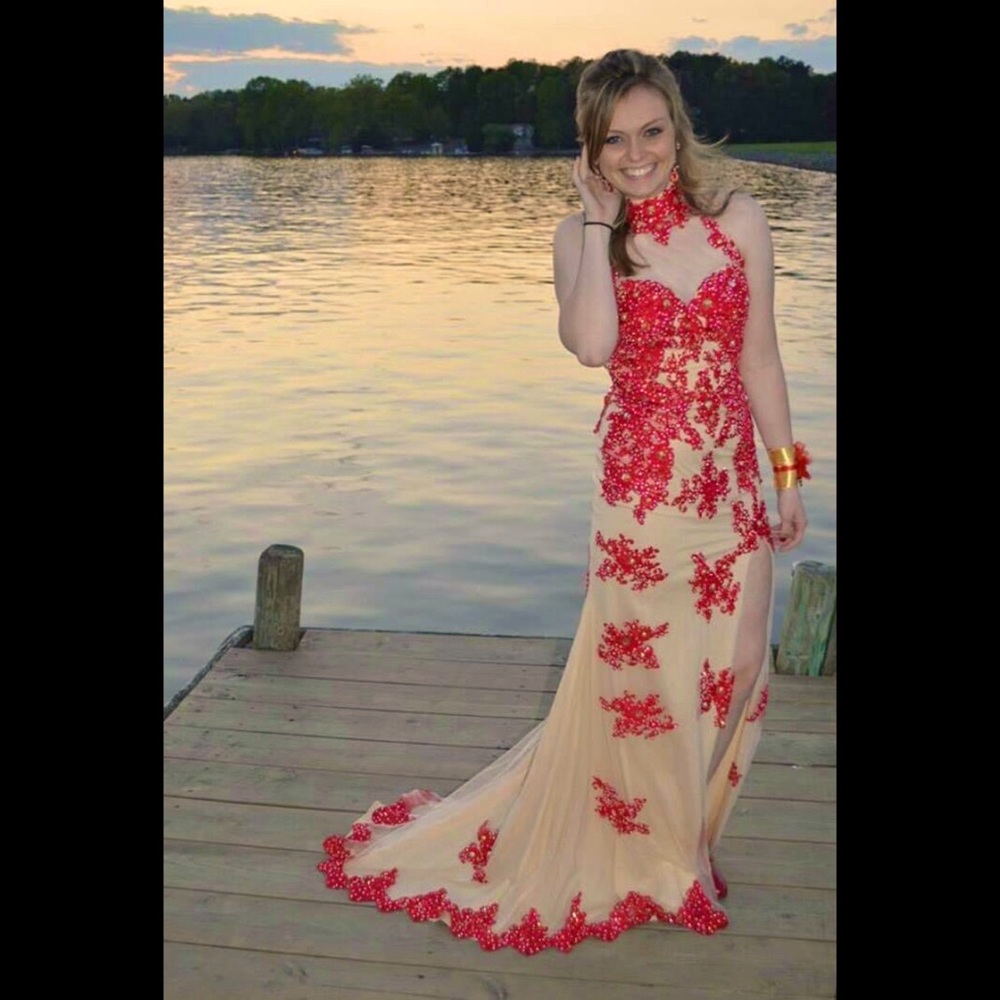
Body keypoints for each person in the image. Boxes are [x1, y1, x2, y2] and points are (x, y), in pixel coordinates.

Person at [317, 48, 809, 955]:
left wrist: (787, 472)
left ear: (678, 128)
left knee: (736, 667)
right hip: (642, 499)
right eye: (613, 140)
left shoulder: (739, 219)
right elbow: (590, 347)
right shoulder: (582, 237)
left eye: (651, 132)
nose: (637, 154)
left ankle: (684, 833)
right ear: (589, 149)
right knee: (648, 686)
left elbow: (762, 358)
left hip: (730, 482)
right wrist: (594, 221)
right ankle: (677, 858)